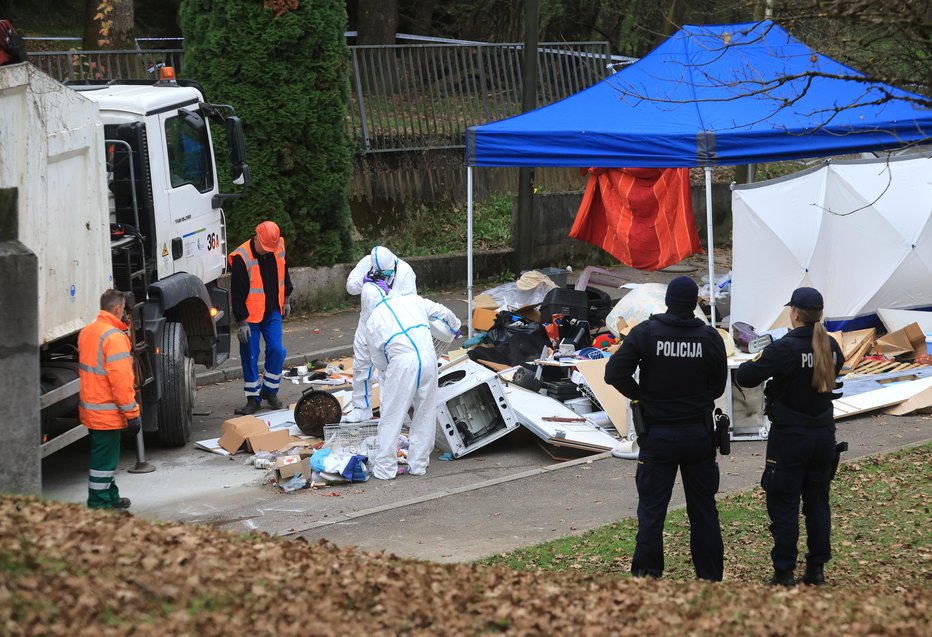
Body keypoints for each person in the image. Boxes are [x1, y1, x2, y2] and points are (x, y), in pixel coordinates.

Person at [604, 276, 727, 581]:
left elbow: (613, 373)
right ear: (694, 304)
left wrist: (641, 396)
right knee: (703, 509)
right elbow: (718, 385)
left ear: (668, 302)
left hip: (658, 435)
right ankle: (710, 576)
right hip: (698, 435)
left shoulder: (647, 333)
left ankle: (647, 575)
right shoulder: (710, 338)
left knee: (651, 510)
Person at [736, 287, 843, 587]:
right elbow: (840, 367)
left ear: (794, 313)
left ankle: (784, 572)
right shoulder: (830, 345)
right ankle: (816, 570)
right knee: (818, 502)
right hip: (823, 434)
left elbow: (745, 376)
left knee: (784, 504)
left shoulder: (784, 348)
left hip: (790, 437)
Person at [362, 284, 460, 479]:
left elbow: (378, 359)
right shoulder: (413, 300)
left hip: (401, 362)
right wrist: (455, 326)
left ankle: (385, 468)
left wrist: (388, 371)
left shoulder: (373, 319)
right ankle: (418, 465)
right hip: (429, 357)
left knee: (392, 415)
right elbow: (443, 311)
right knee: (425, 411)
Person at [77, 289, 140, 510]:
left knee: (106, 461)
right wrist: (132, 413)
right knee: (103, 464)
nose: (124, 314)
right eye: (123, 309)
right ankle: (99, 505)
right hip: (108, 412)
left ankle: (110, 496)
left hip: (92, 409)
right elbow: (121, 380)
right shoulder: (114, 337)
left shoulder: (88, 332)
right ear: (117, 309)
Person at [344, 246, 417, 422]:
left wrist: (389, 293)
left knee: (389, 370)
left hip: (391, 325)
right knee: (361, 365)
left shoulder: (405, 272)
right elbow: (350, 287)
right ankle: (361, 408)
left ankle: (391, 412)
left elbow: (411, 304)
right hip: (367, 322)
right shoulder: (366, 263)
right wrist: (363, 280)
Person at [229, 221, 293, 415]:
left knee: (277, 350)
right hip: (250, 317)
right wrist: (241, 322)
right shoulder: (242, 257)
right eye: (264, 248)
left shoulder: (277, 247)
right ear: (256, 237)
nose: (266, 251)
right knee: (250, 354)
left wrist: (287, 299)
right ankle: (253, 399)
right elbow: (237, 293)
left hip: (272, 310)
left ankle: (269, 391)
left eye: (269, 249)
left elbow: (284, 273)